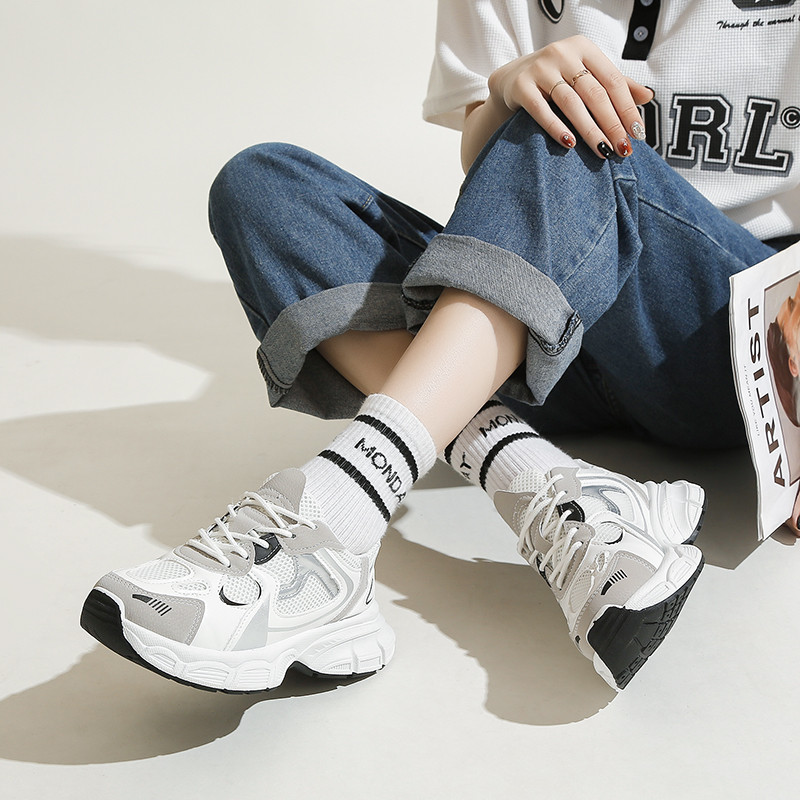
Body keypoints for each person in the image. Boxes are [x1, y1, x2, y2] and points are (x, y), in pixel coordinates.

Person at [81, 1, 799, 692]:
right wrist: (505, 93)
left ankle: (334, 519)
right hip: (544, 323)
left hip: (732, 342)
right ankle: (550, 486)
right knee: (261, 188)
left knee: (572, 121)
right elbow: (501, 171)